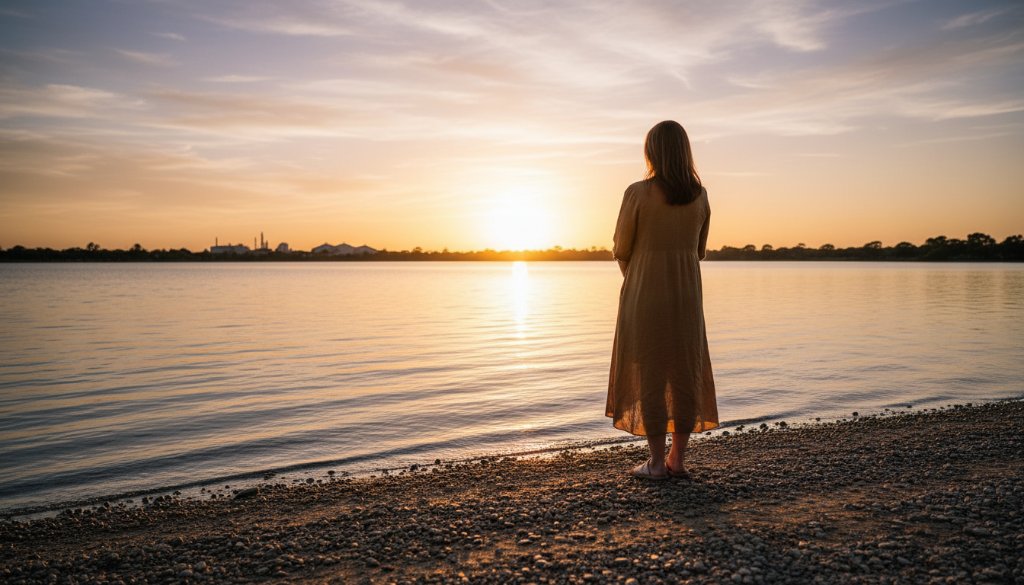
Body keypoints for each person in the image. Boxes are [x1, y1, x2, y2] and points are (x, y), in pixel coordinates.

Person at [607, 120, 719, 480]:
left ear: (651, 152)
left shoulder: (637, 193)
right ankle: (678, 460)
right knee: (685, 371)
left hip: (644, 294)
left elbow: (621, 248)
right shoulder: (700, 196)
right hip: (687, 294)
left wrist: (638, 275)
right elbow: (698, 252)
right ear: (685, 152)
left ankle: (656, 463)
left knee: (650, 374)